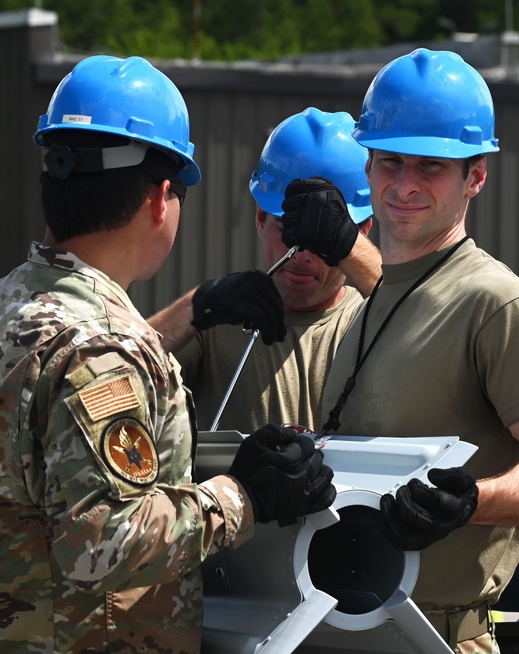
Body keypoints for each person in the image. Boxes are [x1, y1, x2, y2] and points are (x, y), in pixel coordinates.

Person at [0, 55, 334, 654]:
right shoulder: (103, 349)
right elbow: (107, 539)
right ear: (161, 198)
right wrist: (244, 495)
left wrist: (9, 616)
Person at [283, 49, 519, 654]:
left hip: (438, 641)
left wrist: (472, 501)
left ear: (476, 176)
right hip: (340, 632)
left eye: (431, 166)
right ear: (367, 165)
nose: (403, 185)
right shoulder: (371, 305)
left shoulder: (499, 303)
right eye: (390, 161)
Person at [148, 107, 381, 433]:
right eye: (288, 228)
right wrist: (194, 306)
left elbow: (428, 336)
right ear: (260, 219)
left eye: (323, 237)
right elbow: (110, 373)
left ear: (362, 233)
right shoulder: (216, 321)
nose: (301, 255)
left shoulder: (377, 324)